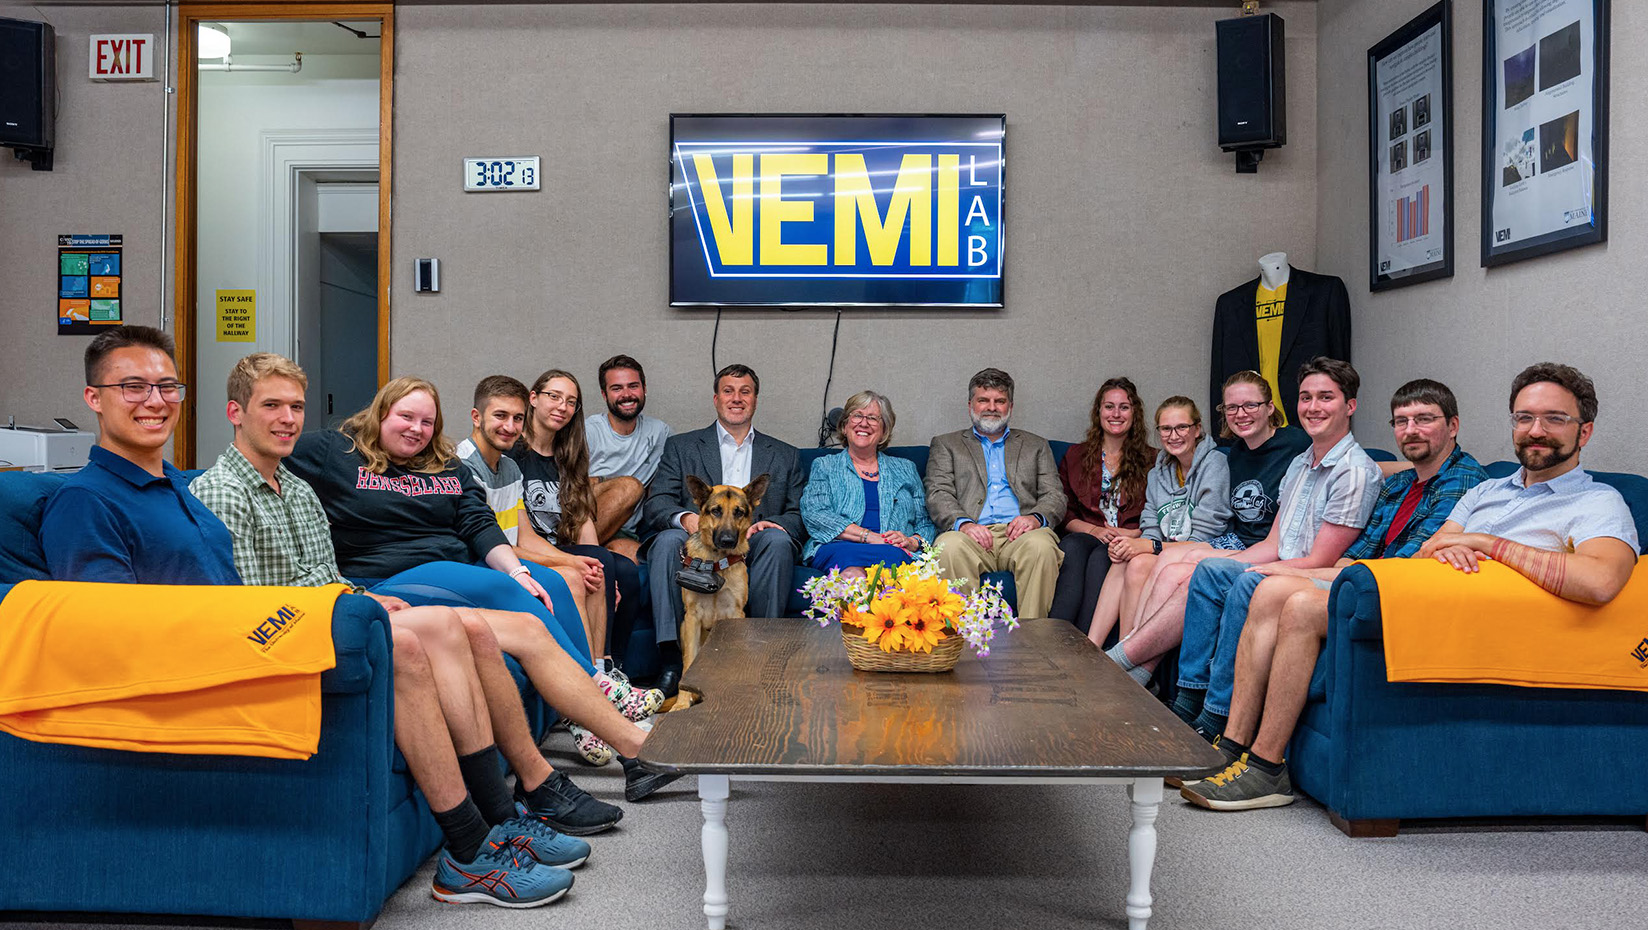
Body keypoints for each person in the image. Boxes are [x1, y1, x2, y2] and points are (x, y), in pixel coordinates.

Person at [42, 333, 573, 908]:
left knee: (451, 624)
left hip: (258, 632)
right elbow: (104, 633)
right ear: (95, 398)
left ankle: (494, 822)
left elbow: (290, 578)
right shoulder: (89, 500)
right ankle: (469, 851)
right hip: (214, 665)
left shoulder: (180, 490)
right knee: (402, 644)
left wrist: (353, 601)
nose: (155, 400)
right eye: (133, 387)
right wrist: (343, 613)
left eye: (167, 386)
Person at [286, 378, 671, 787]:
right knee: (505, 588)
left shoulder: (445, 463)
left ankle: (628, 753)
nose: (416, 429)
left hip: (448, 569)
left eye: (427, 422)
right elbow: (270, 451)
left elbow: (477, 522)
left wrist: (519, 569)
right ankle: (597, 685)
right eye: (405, 417)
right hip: (385, 576)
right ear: (381, 413)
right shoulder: (337, 451)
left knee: (544, 595)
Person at [1181, 378, 1489, 811]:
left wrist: (1306, 572)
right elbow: (1356, 556)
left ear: (1452, 425)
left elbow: (1414, 561)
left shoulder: (1466, 483)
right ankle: (1233, 743)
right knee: (1265, 590)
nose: (1411, 430)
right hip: (1363, 577)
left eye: (1424, 420)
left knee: (1288, 596)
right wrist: (1286, 569)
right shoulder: (1400, 485)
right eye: (1402, 422)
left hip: (1401, 591)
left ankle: (1268, 767)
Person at [1142, 358, 1381, 737]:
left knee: (1245, 582)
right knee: (1209, 571)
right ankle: (1188, 696)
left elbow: (1321, 560)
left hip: (1315, 575)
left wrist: (1254, 570)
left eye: (1325, 398)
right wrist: (1225, 559)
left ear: (1349, 406)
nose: (1313, 407)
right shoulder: (1302, 463)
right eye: (1306, 397)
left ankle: (1216, 714)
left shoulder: (1352, 471)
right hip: (1283, 558)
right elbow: (1274, 543)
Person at [458, 373, 658, 761]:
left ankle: (601, 677)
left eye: (515, 420)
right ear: (476, 417)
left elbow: (520, 534)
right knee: (576, 574)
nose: (510, 427)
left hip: (517, 550)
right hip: (486, 562)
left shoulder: (511, 469)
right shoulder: (470, 464)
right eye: (503, 416)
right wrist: (572, 562)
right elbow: (501, 541)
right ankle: (592, 695)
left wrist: (584, 559)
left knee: (597, 568)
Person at [641, 364, 805, 698]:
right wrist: (686, 518)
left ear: (756, 400)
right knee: (667, 540)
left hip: (754, 539)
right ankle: (673, 662)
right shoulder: (682, 447)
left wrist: (771, 523)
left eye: (745, 391)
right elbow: (657, 501)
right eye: (728, 391)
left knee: (776, 540)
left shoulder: (785, 455)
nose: (737, 398)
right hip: (698, 538)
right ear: (716, 399)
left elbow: (800, 513)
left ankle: (764, 655)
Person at [1116, 372, 1310, 650]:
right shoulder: (1238, 451)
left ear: (1269, 408)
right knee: (1161, 563)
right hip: (1237, 539)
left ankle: (1130, 654)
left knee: (1176, 568)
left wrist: (1395, 469)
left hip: (1270, 545)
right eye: (1232, 407)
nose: (1240, 414)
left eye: (1250, 405)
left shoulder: (1297, 443)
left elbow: (1347, 460)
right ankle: (1131, 646)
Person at [489, 372, 646, 681]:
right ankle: (598, 671)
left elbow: (583, 518)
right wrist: (591, 563)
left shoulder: (569, 454)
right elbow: (520, 533)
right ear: (533, 398)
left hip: (562, 543)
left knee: (624, 571)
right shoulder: (512, 453)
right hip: (529, 547)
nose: (562, 406)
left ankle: (615, 669)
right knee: (601, 565)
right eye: (554, 396)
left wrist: (604, 566)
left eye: (571, 402)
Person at [1086, 397, 1232, 648]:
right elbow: (1151, 524)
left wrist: (1149, 547)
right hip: (1168, 549)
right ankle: (1093, 647)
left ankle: (1125, 652)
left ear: (1197, 429)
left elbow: (1204, 539)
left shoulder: (1215, 465)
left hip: (1205, 551)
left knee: (1140, 561)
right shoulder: (1158, 473)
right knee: (1124, 557)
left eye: (1181, 427)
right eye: (1166, 429)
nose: (1173, 435)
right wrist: (1131, 544)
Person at [925, 368, 1068, 619]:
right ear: (970, 404)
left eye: (999, 401)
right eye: (983, 400)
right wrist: (965, 523)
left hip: (1022, 533)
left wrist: (1035, 518)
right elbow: (938, 492)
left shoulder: (1036, 445)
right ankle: (962, 643)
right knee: (947, 546)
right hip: (971, 535)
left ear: (1010, 406)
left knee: (1041, 547)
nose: (991, 407)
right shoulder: (947, 444)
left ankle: (1033, 644)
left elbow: (1055, 495)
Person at [1049, 378, 1151, 633]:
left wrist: (1135, 533)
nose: (1116, 414)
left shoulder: (1153, 460)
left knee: (1101, 558)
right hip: (1088, 533)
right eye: (1109, 406)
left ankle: (1085, 647)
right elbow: (1065, 509)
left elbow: (1158, 509)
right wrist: (1094, 531)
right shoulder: (1075, 456)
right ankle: (1054, 636)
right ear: (1098, 412)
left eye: (1124, 407)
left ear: (1134, 412)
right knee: (1071, 546)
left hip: (1131, 538)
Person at [800, 390, 936, 577]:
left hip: (893, 550)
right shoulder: (825, 466)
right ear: (845, 426)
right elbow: (815, 514)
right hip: (840, 547)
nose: (864, 423)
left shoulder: (906, 469)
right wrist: (870, 537)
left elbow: (926, 522)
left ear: (883, 432)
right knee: (852, 574)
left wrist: (912, 541)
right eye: (857, 416)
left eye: (873, 418)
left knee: (890, 571)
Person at [586, 355, 670, 563]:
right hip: (584, 523)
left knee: (640, 560)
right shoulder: (587, 431)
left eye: (633, 386)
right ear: (604, 395)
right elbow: (568, 488)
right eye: (617, 388)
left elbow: (661, 486)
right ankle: (575, 552)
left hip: (625, 531)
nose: (626, 394)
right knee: (631, 487)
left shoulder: (660, 432)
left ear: (644, 389)